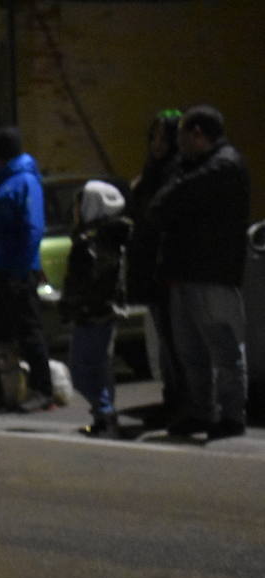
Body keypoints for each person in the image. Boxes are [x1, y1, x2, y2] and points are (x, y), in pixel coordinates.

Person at [148, 105, 251, 440]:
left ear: (197, 134)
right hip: (186, 271)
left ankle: (231, 415)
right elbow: (158, 200)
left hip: (211, 273)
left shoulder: (223, 166)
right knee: (191, 351)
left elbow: (167, 201)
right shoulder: (195, 167)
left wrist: (170, 190)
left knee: (223, 349)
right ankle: (201, 412)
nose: (177, 144)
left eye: (181, 135)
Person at [0, 126, 52, 412]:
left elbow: (32, 228)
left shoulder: (24, 182)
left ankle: (43, 390)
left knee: (29, 330)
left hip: (16, 271)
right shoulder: (3, 181)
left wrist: (20, 270)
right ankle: (2, 394)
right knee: (1, 335)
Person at [60, 180, 133, 438]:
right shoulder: (113, 237)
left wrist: (71, 305)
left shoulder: (90, 242)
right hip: (107, 311)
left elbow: (84, 281)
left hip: (91, 313)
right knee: (102, 368)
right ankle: (104, 418)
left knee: (80, 370)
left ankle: (105, 412)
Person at [126, 109, 183, 422]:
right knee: (163, 337)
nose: (158, 143)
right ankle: (171, 396)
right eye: (155, 136)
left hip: (167, 265)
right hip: (150, 263)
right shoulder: (153, 170)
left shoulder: (176, 170)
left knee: (175, 338)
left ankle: (182, 399)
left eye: (165, 136)